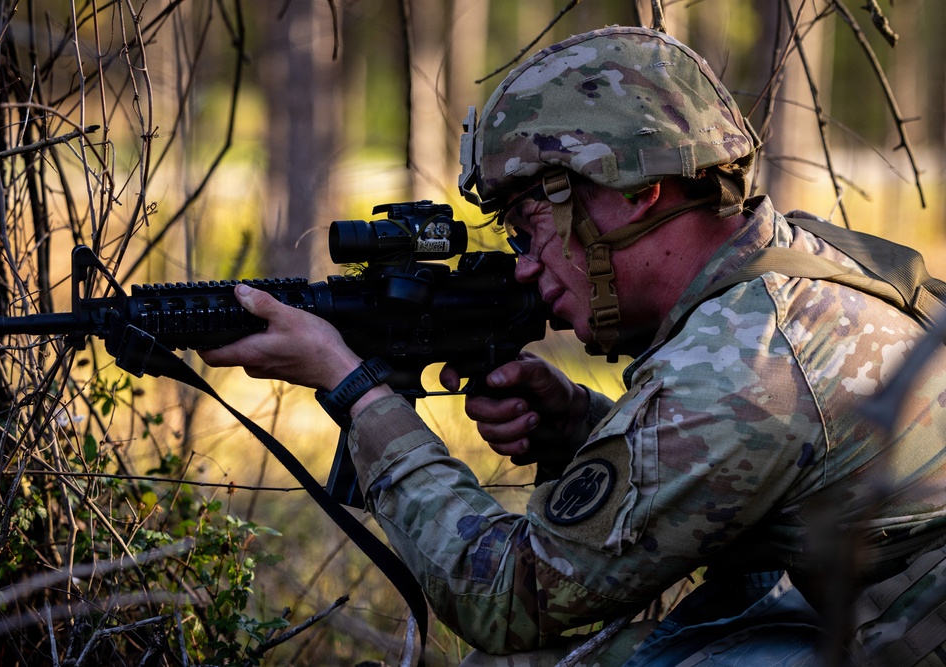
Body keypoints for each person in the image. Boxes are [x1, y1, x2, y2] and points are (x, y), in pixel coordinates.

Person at [200, 26, 946, 666]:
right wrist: (582, 425)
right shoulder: (797, 267)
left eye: (531, 225)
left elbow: (503, 597)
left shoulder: (748, 363)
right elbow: (745, 475)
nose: (526, 265)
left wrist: (357, 391)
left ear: (634, 191)